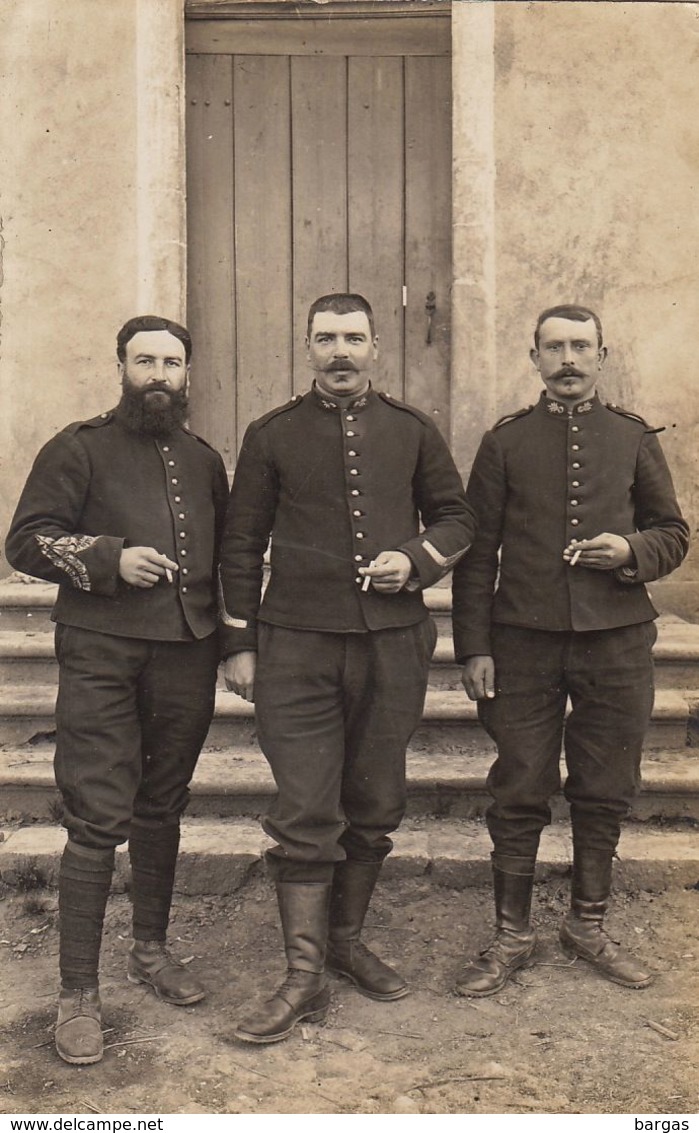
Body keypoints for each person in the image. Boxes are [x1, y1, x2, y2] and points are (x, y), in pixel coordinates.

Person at [219, 292, 476, 1043]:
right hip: (294, 645)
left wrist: (416, 559)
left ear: (374, 348)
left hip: (391, 643)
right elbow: (239, 544)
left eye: (353, 338)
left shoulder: (412, 429)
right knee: (305, 806)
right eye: (325, 338)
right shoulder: (270, 435)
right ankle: (301, 976)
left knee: (375, 799)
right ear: (306, 348)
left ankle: (346, 941)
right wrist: (238, 642)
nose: (340, 351)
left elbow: (457, 518)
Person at [5, 315, 229, 1065]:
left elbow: (226, 559)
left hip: (186, 654)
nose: (159, 375)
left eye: (171, 362)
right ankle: (77, 992)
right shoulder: (78, 446)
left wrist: (232, 642)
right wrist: (109, 557)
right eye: (145, 361)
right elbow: (26, 538)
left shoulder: (203, 459)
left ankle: (151, 950)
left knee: (163, 801)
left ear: (186, 372)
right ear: (121, 366)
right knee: (99, 814)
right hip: (101, 652)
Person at [451, 304, 689, 997]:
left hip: (616, 641)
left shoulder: (632, 436)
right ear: (533, 359)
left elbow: (671, 532)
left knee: (604, 784)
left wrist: (629, 551)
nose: (566, 361)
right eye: (552, 348)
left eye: (579, 347)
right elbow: (475, 556)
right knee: (520, 783)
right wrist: (473, 646)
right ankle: (510, 934)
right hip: (520, 643)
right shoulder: (503, 443)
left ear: (601, 355)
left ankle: (586, 924)